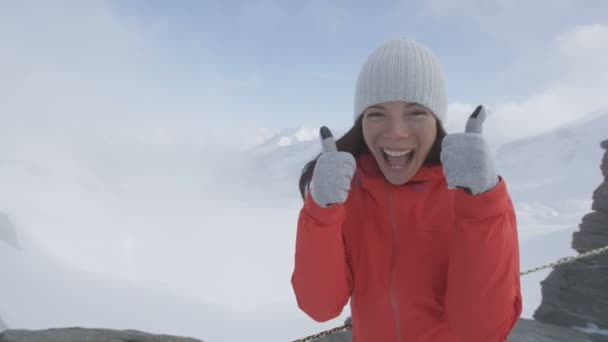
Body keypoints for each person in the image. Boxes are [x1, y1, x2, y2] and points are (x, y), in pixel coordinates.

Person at [291, 38, 522, 342]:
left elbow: (482, 330)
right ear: (361, 122)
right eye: (377, 113)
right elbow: (319, 306)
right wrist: (321, 212)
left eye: (416, 112)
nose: (396, 132)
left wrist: (483, 205)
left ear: (436, 121)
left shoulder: (472, 196)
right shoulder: (346, 194)